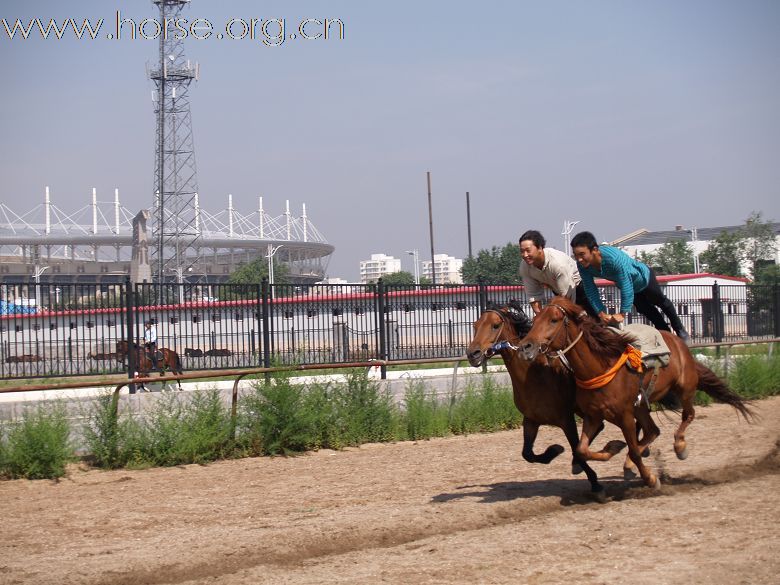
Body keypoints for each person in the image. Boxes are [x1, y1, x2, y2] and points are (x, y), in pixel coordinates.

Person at [570, 231, 690, 342]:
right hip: (632, 288)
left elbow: (626, 284)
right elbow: (590, 289)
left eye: (582, 254)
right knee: (649, 312)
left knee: (660, 301)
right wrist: (601, 313)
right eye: (576, 255)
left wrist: (622, 314)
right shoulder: (582, 265)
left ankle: (680, 330)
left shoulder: (613, 259)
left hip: (644, 279)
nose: (579, 259)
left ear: (594, 250)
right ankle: (669, 339)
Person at [518, 230, 597, 317]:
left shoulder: (558, 263)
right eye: (522, 251)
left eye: (528, 250)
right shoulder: (524, 266)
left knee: (594, 323)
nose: (525, 255)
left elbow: (567, 298)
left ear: (540, 248)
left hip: (580, 289)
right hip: (560, 292)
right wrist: (541, 318)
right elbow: (534, 296)